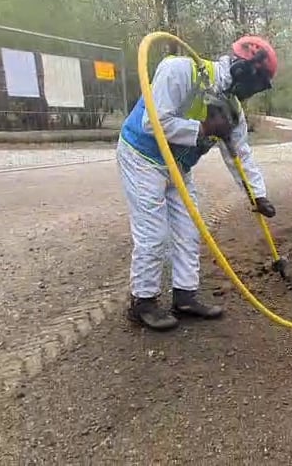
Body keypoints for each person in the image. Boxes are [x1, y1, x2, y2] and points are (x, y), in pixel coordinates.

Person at [116, 35, 279, 331]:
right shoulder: (179, 70)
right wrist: (202, 128)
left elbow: (240, 155)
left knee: (189, 229)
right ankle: (143, 302)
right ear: (244, 70)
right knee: (154, 233)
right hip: (142, 155)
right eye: (256, 85)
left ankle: (185, 296)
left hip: (178, 166)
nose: (252, 94)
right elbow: (152, 122)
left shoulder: (233, 111)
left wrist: (258, 195)